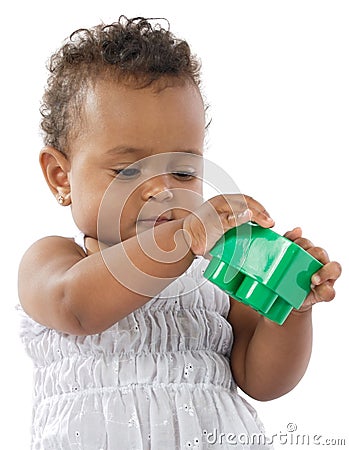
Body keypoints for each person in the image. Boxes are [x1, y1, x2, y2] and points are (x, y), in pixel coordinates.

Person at [18, 16, 341, 450]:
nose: (162, 190)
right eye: (128, 169)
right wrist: (184, 240)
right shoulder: (55, 261)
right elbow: (77, 309)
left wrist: (290, 309)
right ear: (61, 176)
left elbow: (263, 382)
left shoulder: (213, 272)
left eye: (184, 170)